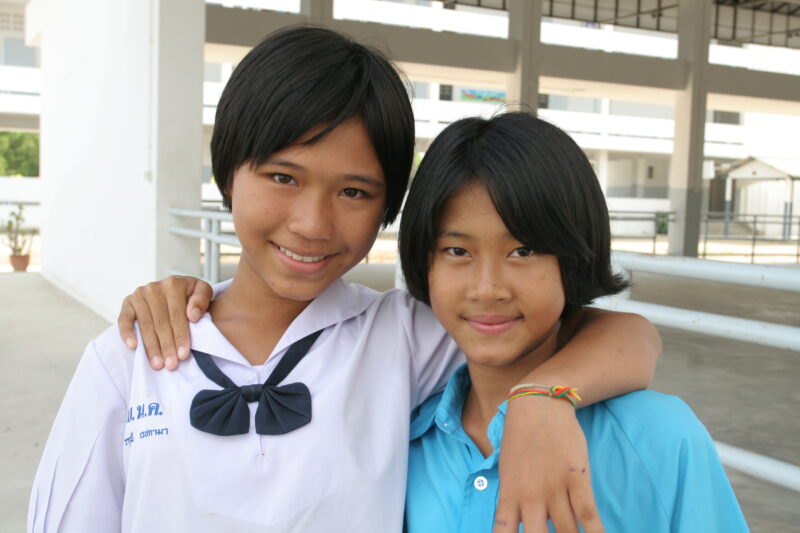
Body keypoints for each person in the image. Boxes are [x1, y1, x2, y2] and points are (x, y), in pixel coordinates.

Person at [30, 27, 660, 533]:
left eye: (355, 191)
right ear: (227, 174)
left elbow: (626, 336)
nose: (311, 223)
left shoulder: (403, 336)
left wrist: (542, 397)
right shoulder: (130, 357)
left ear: (389, 208)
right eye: (283, 177)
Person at [400, 112, 749, 532]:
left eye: (523, 250)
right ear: (426, 261)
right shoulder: (404, 441)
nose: (488, 288)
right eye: (457, 251)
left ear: (573, 258)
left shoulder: (658, 438)